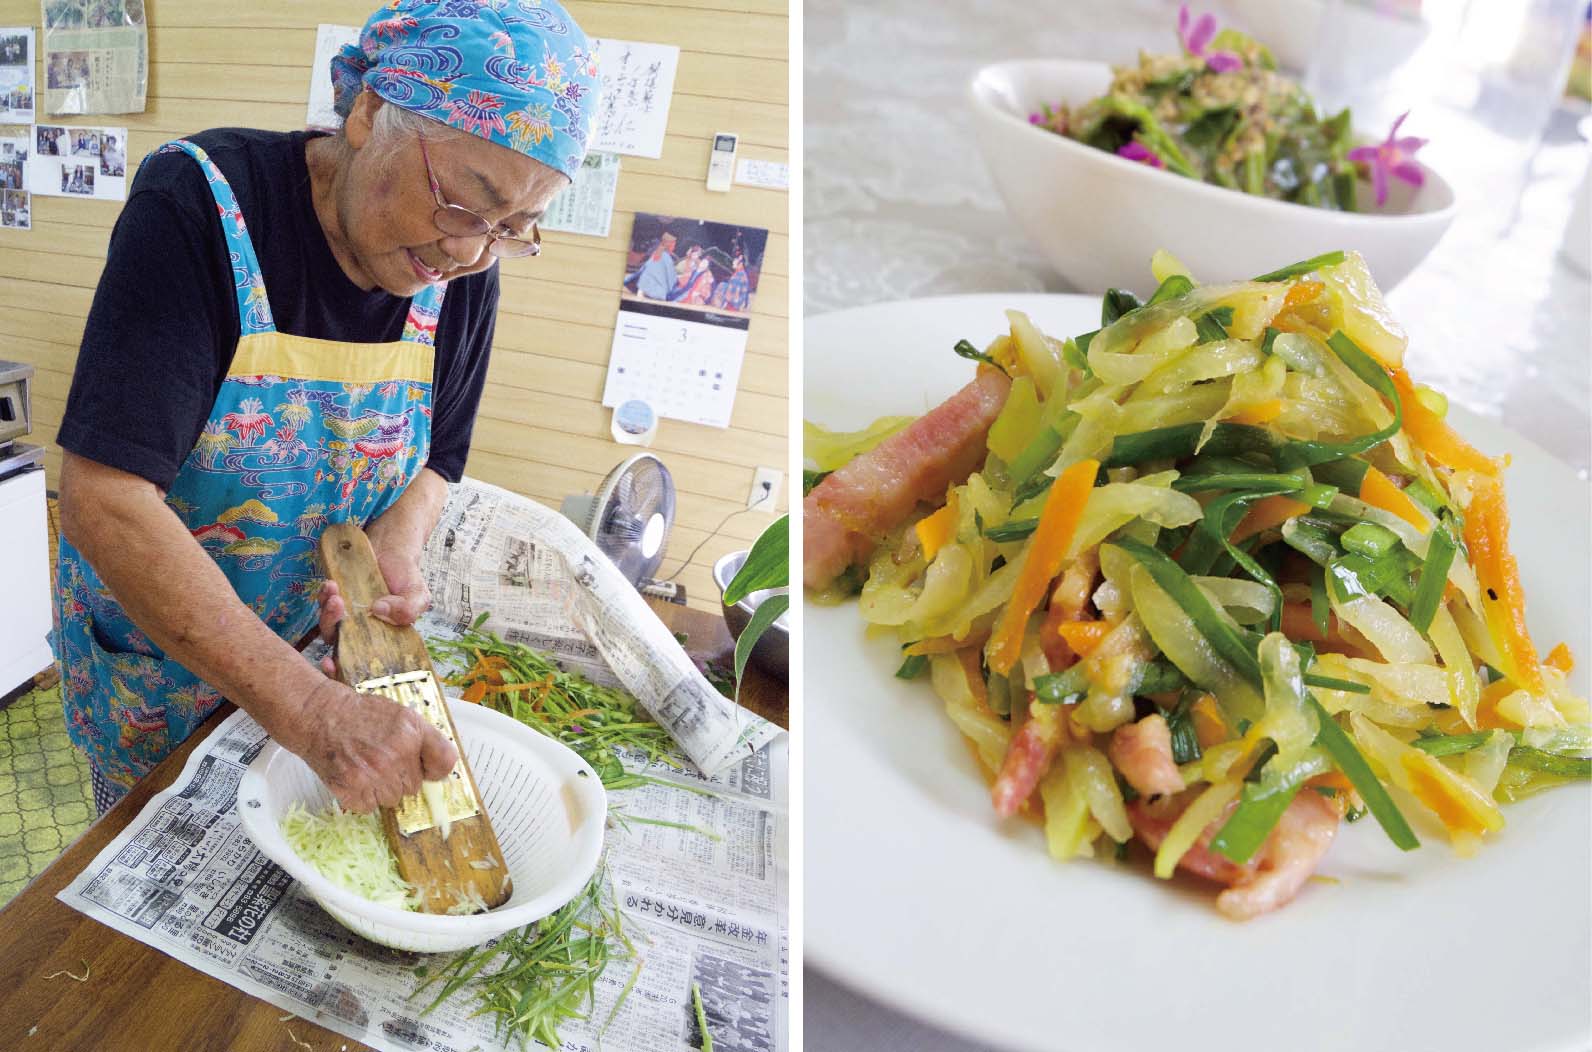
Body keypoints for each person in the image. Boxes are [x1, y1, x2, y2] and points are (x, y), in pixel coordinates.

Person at [53, 0, 601, 814]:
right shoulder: (201, 203)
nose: (469, 251)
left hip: (330, 664)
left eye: (515, 224)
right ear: (369, 111)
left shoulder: (467, 264)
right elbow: (104, 500)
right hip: (165, 671)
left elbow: (440, 456)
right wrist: (310, 710)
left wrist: (397, 546)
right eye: (462, 199)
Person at [630, 232, 678, 298]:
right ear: (667, 243)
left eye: (674, 244)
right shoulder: (661, 251)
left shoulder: (666, 253)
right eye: (673, 244)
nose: (674, 246)